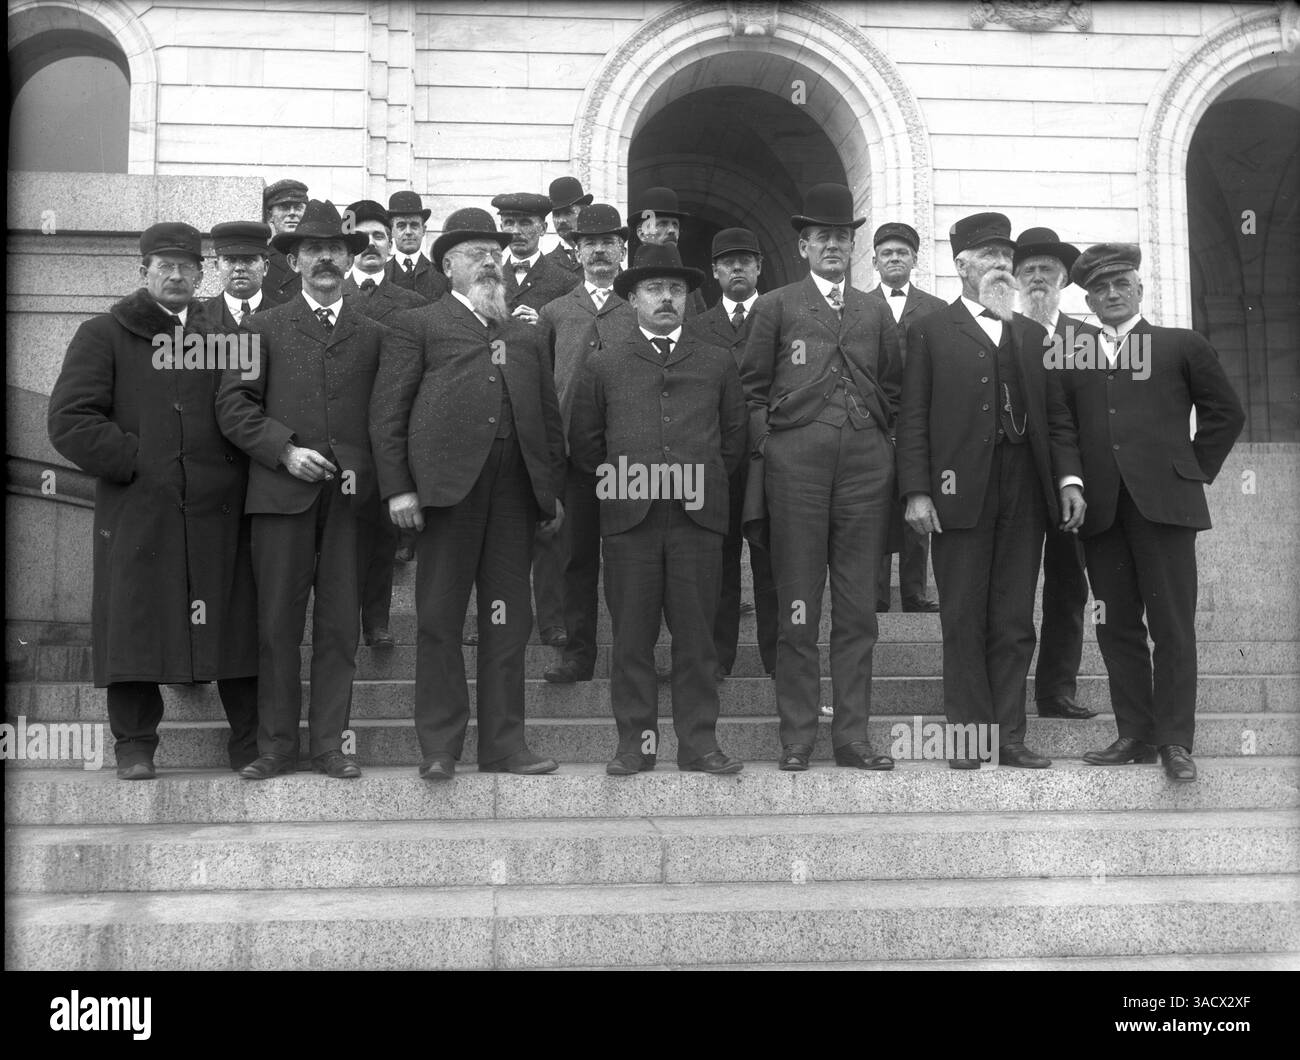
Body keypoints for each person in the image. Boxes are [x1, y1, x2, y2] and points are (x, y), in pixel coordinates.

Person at [48, 222, 258, 779]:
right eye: (164, 265)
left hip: (218, 511)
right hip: (141, 509)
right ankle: (135, 746)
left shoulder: (225, 339)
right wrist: (138, 460)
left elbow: (248, 408)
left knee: (235, 622)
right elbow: (70, 420)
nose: (177, 274)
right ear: (143, 273)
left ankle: (250, 744)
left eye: (188, 266)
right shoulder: (104, 333)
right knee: (135, 622)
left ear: (201, 273)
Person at [371, 207, 566, 781]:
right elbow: (389, 415)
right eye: (475, 252)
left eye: (495, 252)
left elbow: (548, 421)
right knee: (438, 620)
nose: (489, 260)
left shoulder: (526, 333)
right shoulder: (420, 324)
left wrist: (548, 494)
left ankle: (505, 745)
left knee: (509, 623)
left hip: (513, 499)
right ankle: (440, 746)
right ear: (448, 264)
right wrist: (399, 489)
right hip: (447, 498)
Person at [897, 212, 1086, 770]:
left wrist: (1068, 479)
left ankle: (1009, 736)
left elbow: (1056, 418)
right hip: (957, 492)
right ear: (961, 265)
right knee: (962, 616)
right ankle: (967, 739)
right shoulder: (929, 329)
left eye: (1007, 256)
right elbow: (913, 418)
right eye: (989, 256)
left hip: (1025, 491)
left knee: (1012, 618)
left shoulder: (1032, 334)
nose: (1003, 264)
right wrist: (916, 492)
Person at [217, 200, 385, 781]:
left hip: (350, 504)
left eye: (335, 251)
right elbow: (232, 407)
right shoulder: (257, 327)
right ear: (294, 259)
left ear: (348, 258)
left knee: (340, 630)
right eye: (313, 251)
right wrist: (284, 449)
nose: (325, 260)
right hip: (279, 499)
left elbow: (388, 416)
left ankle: (330, 747)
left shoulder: (376, 333)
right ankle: (277, 747)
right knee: (276, 629)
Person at [1065, 244, 1244, 782]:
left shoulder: (1179, 345)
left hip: (1165, 508)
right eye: (1099, 289)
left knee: (1171, 625)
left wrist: (1190, 470)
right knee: (1116, 625)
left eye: (1121, 284)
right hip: (1101, 512)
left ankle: (1175, 740)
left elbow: (1225, 413)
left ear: (1140, 289)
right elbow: (1064, 427)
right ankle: (1136, 734)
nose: (1111, 295)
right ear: (1089, 300)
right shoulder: (1075, 354)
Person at [739, 183, 901, 772]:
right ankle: (798, 736)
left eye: (843, 237)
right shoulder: (776, 305)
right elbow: (750, 389)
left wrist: (885, 448)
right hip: (795, 471)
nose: (834, 246)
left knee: (858, 611)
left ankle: (852, 738)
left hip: (864, 471)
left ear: (853, 246)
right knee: (799, 607)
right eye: (823, 238)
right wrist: (772, 448)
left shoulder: (874, 308)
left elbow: (896, 388)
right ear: (804, 246)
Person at [569, 243, 747, 775]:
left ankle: (699, 745)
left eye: (675, 290)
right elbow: (586, 445)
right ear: (633, 300)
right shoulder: (604, 364)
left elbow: (734, 441)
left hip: (697, 519)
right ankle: (636, 746)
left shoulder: (716, 361)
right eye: (653, 289)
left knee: (697, 641)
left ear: (688, 299)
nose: (666, 298)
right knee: (632, 640)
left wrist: (698, 482)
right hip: (630, 521)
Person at [536, 204, 637, 677]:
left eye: (609, 243)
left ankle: (631, 656)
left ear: (622, 251)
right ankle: (577, 654)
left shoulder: (638, 307)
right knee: (575, 559)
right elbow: (541, 383)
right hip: (573, 458)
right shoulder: (555, 312)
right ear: (576, 252)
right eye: (589, 243)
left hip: (628, 460)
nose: (599, 251)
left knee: (629, 561)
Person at [685, 226, 778, 680]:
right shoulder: (697, 327)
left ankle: (777, 661)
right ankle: (717, 659)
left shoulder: (781, 314)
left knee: (771, 563)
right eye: (729, 262)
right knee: (716, 563)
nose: (738, 268)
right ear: (715, 272)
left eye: (747, 260)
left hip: (768, 460)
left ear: (759, 267)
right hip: (717, 460)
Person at [1013, 226, 1096, 721]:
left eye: (1047, 270)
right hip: (1016, 485)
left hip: (1072, 487)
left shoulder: (1084, 339)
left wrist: (1078, 480)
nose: (1038, 278)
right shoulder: (999, 332)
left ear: (1064, 278)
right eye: (1029, 271)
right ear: (1016, 279)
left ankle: (1055, 691)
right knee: (1013, 594)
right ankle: (1006, 697)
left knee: (1069, 587)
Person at [342, 198, 428, 649]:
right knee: (342, 535)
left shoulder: (412, 303)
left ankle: (376, 622)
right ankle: (338, 621)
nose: (371, 245)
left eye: (379, 236)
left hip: (392, 430)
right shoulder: (333, 296)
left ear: (391, 241)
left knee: (381, 534)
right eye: (362, 238)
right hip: (342, 429)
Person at [865, 221, 945, 613]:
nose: (894, 258)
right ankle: (876, 594)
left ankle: (914, 592)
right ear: (875, 261)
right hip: (873, 419)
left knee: (918, 499)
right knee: (875, 504)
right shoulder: (858, 304)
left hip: (923, 419)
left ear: (914, 259)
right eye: (886, 253)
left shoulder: (936, 308)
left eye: (902, 253)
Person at [492, 191, 582, 324]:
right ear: (501, 228)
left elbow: (575, 334)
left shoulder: (567, 282)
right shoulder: (491, 280)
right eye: (509, 223)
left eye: (525, 223)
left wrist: (544, 326)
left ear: (543, 229)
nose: (516, 231)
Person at [631, 186, 707, 318]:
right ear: (642, 233)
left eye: (675, 225)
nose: (672, 230)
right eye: (662, 224)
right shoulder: (626, 285)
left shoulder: (692, 292)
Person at [202, 220, 285, 331]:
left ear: (265, 267)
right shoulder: (198, 318)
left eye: (249, 260)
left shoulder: (284, 318)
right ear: (217, 267)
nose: (239, 268)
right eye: (230, 260)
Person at [386, 190, 449, 302]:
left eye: (414, 225)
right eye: (401, 226)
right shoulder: (380, 273)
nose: (408, 232)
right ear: (392, 232)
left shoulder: (441, 275)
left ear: (423, 230)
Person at [262, 179, 308, 301]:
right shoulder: (261, 259)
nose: (292, 213)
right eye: (284, 207)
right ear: (270, 216)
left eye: (298, 207)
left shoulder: (317, 256)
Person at [543, 176, 592, 276]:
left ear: (584, 213)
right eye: (556, 214)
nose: (561, 221)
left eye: (568, 213)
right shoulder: (544, 264)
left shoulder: (600, 256)